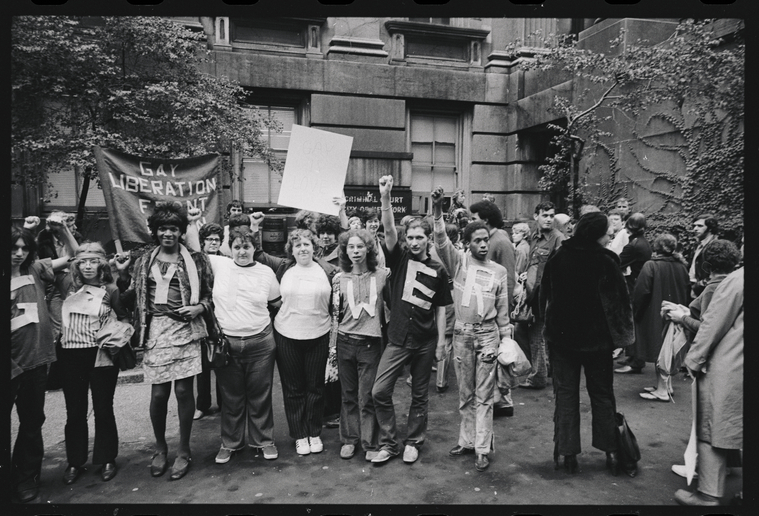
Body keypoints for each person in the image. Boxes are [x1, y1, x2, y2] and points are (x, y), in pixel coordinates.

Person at [115, 202, 213, 481]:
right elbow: (130, 297)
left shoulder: (196, 260)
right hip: (156, 329)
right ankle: (160, 447)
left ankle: (183, 450)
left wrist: (199, 308)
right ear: (154, 231)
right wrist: (123, 275)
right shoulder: (144, 260)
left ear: (181, 231)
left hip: (186, 329)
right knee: (159, 394)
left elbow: (208, 294)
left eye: (173, 228)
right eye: (162, 228)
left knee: (184, 393)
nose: (168, 233)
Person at [539, 212, 634, 475]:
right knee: (602, 395)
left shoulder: (559, 256)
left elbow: (545, 293)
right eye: (607, 232)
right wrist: (622, 338)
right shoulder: (606, 260)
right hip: (597, 342)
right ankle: (612, 454)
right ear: (596, 234)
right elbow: (620, 302)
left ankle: (567, 455)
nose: (610, 235)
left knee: (566, 395)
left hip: (562, 339)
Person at [186, 216, 283, 464]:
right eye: (237, 247)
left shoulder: (266, 272)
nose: (242, 251)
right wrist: (190, 223)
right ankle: (230, 443)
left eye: (247, 247)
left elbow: (276, 304)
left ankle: (264, 441)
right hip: (226, 343)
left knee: (260, 394)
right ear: (230, 248)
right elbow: (194, 249)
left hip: (261, 343)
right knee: (230, 397)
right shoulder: (220, 264)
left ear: (254, 248)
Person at [370, 175, 453, 465]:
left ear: (428, 239)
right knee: (379, 391)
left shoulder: (438, 270)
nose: (414, 241)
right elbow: (389, 228)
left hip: (425, 340)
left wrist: (442, 342)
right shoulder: (399, 258)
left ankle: (414, 442)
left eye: (420, 237)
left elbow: (441, 307)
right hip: (397, 338)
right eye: (411, 237)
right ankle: (389, 442)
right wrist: (385, 196)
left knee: (420, 395)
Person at [432, 186, 512, 472]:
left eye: (485, 239)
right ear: (466, 244)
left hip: (488, 335)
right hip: (462, 334)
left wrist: (506, 342)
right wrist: (437, 209)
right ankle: (466, 441)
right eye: (476, 240)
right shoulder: (459, 264)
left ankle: (482, 448)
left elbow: (503, 313)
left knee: (484, 395)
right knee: (465, 393)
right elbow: (441, 240)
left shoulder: (499, 272)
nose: (482, 244)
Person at [253, 226, 338, 456]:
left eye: (306, 244)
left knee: (316, 388)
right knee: (293, 389)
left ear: (314, 248)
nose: (302, 248)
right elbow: (258, 255)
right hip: (287, 336)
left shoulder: (328, 270)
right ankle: (300, 434)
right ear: (291, 249)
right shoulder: (283, 268)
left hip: (319, 335)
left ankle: (314, 432)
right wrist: (255, 227)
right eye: (297, 245)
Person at [662, 240, 741, 480]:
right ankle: (727, 464)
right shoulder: (736, 283)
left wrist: (681, 318)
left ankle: (702, 471)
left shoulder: (714, 288)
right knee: (727, 419)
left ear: (706, 265)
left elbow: (706, 327)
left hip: (714, 362)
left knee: (706, 422)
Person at [11, 224, 77, 503]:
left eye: (24, 248)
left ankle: (26, 477)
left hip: (36, 361)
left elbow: (74, 254)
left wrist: (62, 230)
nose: (19, 253)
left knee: (31, 421)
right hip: (11, 363)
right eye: (13, 248)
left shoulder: (35, 269)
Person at [59, 243, 128, 485]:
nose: (88, 266)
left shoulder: (110, 289)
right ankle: (75, 461)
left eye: (94, 261)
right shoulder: (67, 285)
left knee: (103, 408)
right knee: (75, 411)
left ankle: (107, 458)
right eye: (83, 261)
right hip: (70, 355)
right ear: (76, 264)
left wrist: (118, 337)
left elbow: (124, 317)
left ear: (103, 263)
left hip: (101, 356)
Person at [674, 262, 743, 506]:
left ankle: (708, 493)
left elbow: (713, 324)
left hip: (732, 364)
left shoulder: (738, 280)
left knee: (713, 425)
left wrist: (693, 360)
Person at [332, 228, 389, 461]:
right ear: (345, 251)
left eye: (360, 246)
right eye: (351, 247)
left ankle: (369, 441)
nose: (355, 251)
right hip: (345, 341)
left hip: (370, 344)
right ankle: (349, 439)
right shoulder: (339, 278)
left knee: (367, 396)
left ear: (369, 248)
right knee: (347, 395)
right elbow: (334, 313)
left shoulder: (383, 275)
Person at [468, 199, 517, 416]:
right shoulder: (492, 239)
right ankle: (498, 400)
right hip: (485, 308)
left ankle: (503, 401)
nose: (471, 222)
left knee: (500, 357)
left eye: (474, 218)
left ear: (485, 220)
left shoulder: (501, 241)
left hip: (497, 311)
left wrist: (502, 315)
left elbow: (507, 280)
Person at [627, 234, 690, 395]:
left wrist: (636, 312)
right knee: (669, 347)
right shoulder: (681, 266)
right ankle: (665, 386)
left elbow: (641, 291)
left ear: (656, 247)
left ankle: (662, 389)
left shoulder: (651, 265)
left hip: (654, 313)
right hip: (675, 311)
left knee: (659, 348)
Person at [519, 201, 565, 390]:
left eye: (551, 215)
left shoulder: (558, 238)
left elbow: (562, 270)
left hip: (546, 298)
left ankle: (538, 377)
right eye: (545, 215)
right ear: (536, 216)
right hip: (531, 295)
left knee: (537, 335)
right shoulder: (534, 237)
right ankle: (545, 370)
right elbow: (533, 264)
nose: (548, 219)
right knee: (528, 333)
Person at [193, 222, 226, 421]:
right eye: (210, 239)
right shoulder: (196, 260)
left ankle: (224, 403)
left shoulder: (226, 261)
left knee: (222, 359)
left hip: (221, 314)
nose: (214, 242)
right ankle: (202, 405)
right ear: (203, 241)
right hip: (202, 314)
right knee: (203, 364)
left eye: (217, 239)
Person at [314, 214, 344, 429]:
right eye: (322, 233)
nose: (325, 237)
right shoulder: (315, 253)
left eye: (329, 233)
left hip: (337, 317)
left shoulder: (341, 256)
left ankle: (336, 411)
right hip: (319, 316)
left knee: (335, 365)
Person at [615, 213, 652, 374]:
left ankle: (635, 361)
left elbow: (617, 262)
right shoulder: (643, 242)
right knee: (634, 321)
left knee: (632, 322)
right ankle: (632, 357)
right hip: (639, 283)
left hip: (632, 285)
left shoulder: (633, 245)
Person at [688, 213, 719, 299]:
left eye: (700, 226)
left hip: (703, 292)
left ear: (710, 228)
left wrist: (696, 288)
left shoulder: (715, 247)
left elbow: (716, 275)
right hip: (694, 287)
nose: (695, 229)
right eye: (694, 226)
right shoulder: (698, 245)